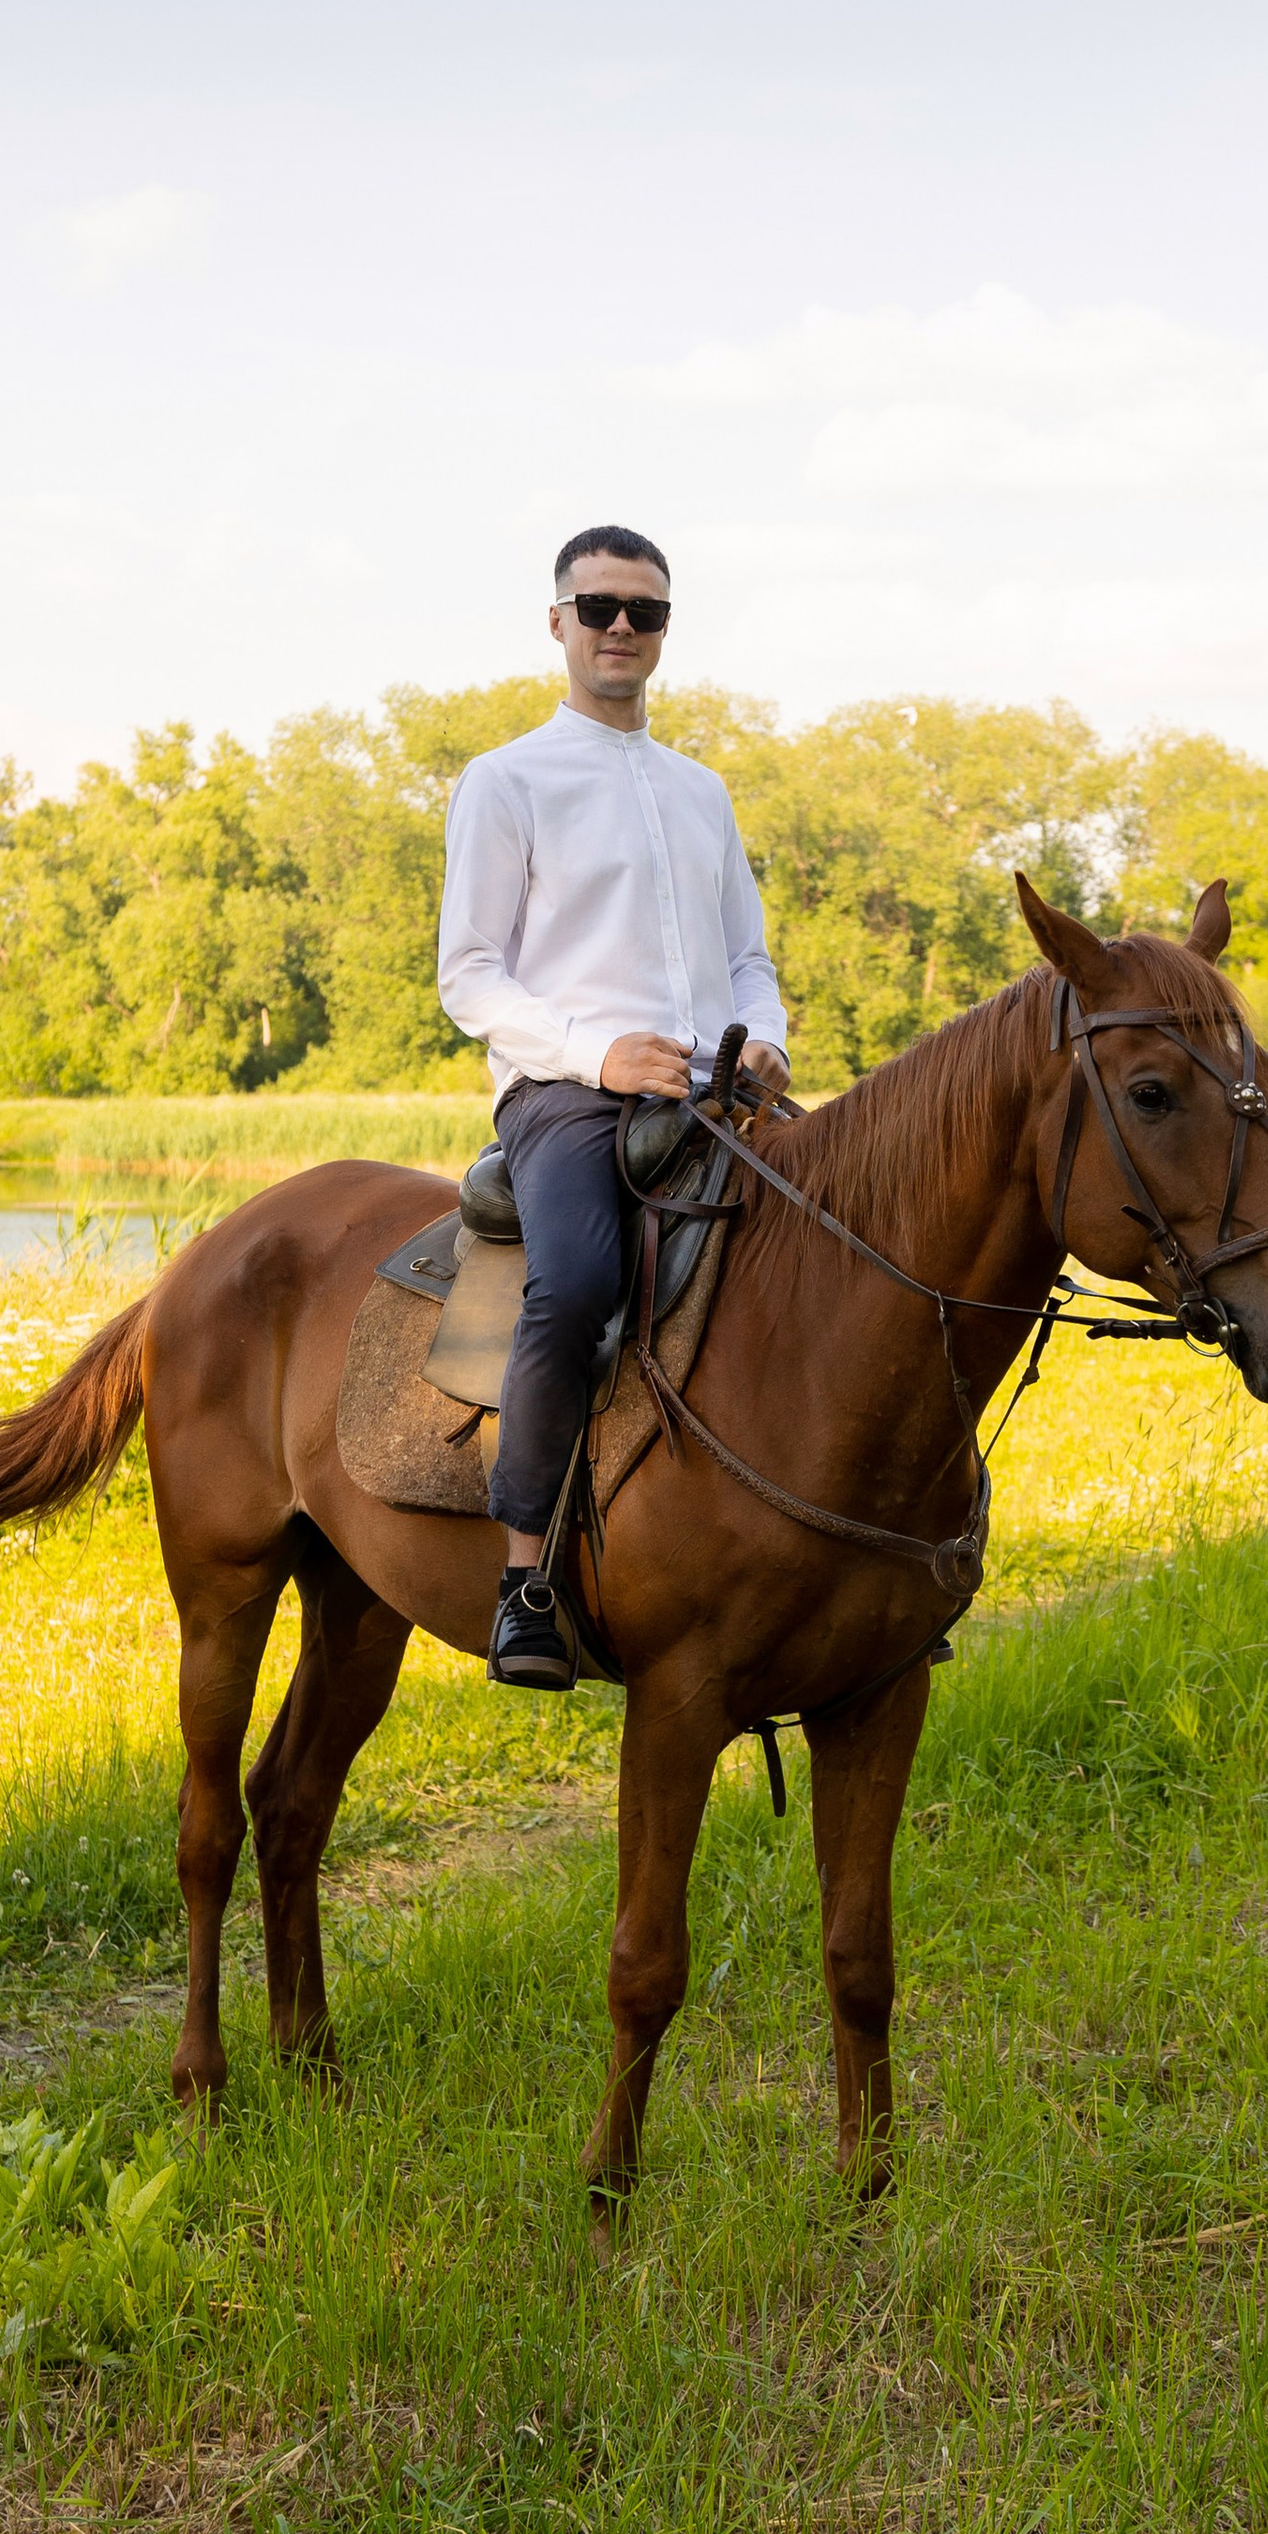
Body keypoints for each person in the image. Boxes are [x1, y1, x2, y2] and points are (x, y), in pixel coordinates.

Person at [437, 525, 791, 1686]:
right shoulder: (506, 781)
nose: (621, 628)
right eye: (597, 608)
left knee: (843, 1242)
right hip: (564, 1096)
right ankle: (525, 1582)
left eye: (644, 611)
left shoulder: (701, 792)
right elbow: (470, 974)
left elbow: (748, 959)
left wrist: (768, 1045)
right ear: (558, 624)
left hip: (711, 1091)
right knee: (579, 1282)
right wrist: (599, 1054)